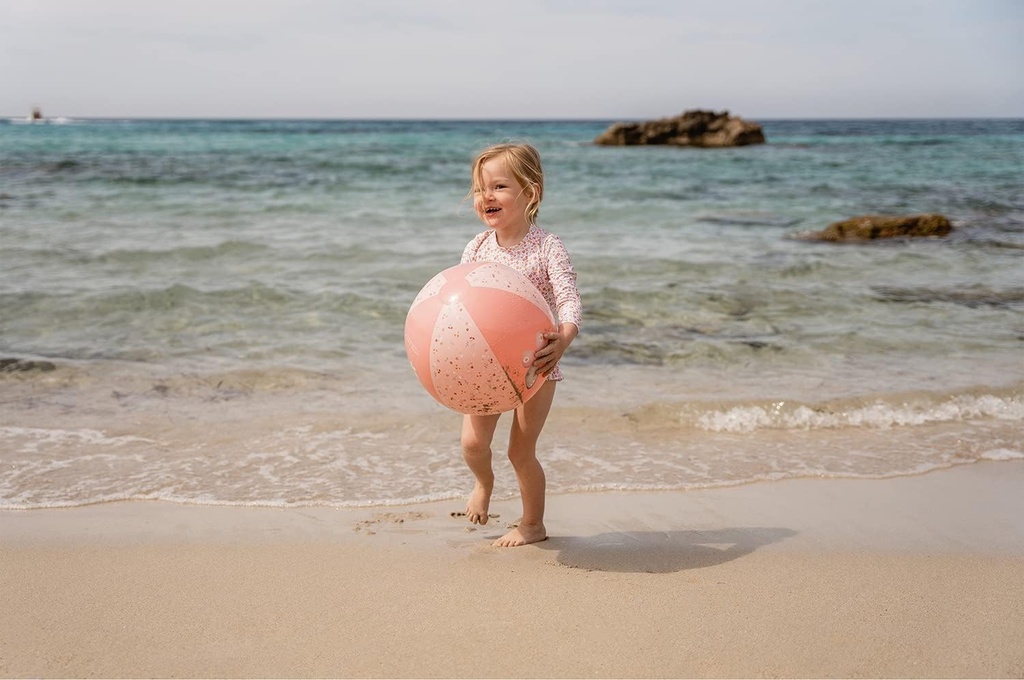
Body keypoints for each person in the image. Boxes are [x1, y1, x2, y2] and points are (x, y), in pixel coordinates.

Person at [458, 143, 582, 547]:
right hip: (486, 365)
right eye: (479, 189)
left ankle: (532, 525)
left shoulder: (548, 246)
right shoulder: (476, 247)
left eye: (498, 186)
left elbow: (568, 299)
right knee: (473, 444)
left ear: (531, 192)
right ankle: (484, 483)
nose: (486, 197)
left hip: (536, 366)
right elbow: (463, 302)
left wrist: (564, 337)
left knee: (520, 451)